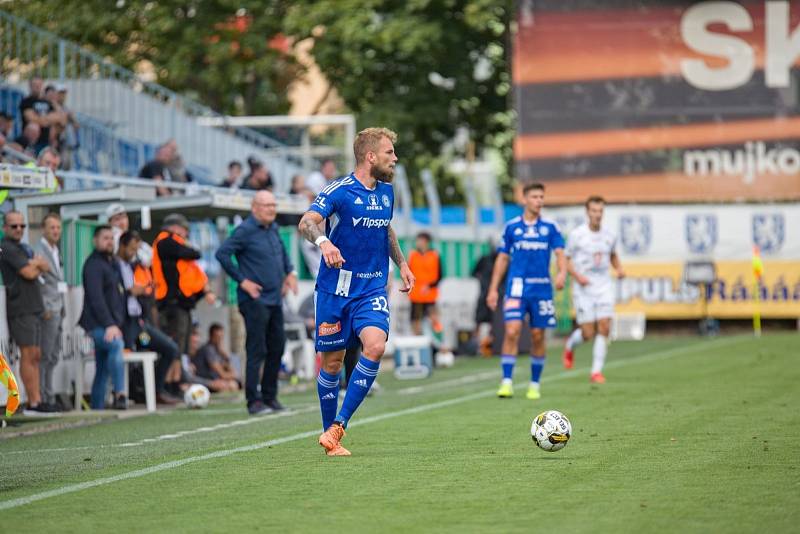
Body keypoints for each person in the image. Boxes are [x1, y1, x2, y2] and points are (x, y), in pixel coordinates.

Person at [298, 127, 415, 456]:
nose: (395, 158)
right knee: (332, 364)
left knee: (375, 346)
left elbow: (385, 228)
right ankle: (327, 436)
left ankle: (339, 427)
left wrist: (402, 263)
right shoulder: (339, 191)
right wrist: (324, 242)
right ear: (371, 156)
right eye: (390, 152)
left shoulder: (387, 192)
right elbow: (307, 222)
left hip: (371, 288)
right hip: (335, 290)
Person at [216, 190, 297, 415]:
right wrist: (242, 281)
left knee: (277, 346)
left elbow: (281, 252)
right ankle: (254, 401)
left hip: (275, 299)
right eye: (267, 205)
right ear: (254, 207)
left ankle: (270, 397)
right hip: (254, 300)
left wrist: (289, 272)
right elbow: (222, 254)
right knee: (256, 349)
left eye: (273, 205)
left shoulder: (273, 228)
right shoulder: (244, 230)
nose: (272, 209)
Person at [487, 182, 566, 400]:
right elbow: (503, 258)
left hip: (541, 289)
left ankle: (534, 383)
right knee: (512, 330)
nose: (539, 201)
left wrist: (561, 273)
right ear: (524, 199)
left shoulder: (550, 227)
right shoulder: (512, 227)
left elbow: (560, 253)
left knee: (538, 335)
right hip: (516, 288)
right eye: (534, 197)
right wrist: (493, 289)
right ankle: (506, 382)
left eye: (541, 197)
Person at [562, 196, 625, 383]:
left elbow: (612, 254)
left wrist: (619, 268)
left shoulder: (609, 235)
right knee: (587, 333)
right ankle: (570, 345)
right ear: (587, 212)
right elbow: (566, 259)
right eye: (594, 211)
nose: (597, 215)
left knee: (605, 326)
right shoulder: (577, 235)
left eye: (600, 211)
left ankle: (596, 371)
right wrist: (577, 276)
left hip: (604, 286)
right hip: (584, 289)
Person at [117, 230, 181, 405]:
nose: (134, 253)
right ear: (122, 246)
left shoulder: (136, 267)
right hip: (126, 326)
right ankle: (127, 394)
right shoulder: (118, 267)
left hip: (140, 326)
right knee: (129, 356)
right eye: (132, 249)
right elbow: (117, 292)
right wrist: (131, 291)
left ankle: (156, 389)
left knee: (169, 348)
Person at [0, 211, 51, 415]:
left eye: (22, 225)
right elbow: (29, 272)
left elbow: (44, 266)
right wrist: (35, 264)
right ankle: (33, 402)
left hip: (34, 307)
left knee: (36, 355)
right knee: (28, 355)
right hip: (21, 309)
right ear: (5, 228)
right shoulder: (7, 248)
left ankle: (36, 400)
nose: (19, 229)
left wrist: (36, 264)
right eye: (14, 226)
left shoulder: (24, 247)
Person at [78, 225, 127, 410]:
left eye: (111, 238)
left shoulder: (111, 262)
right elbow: (96, 298)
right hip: (97, 325)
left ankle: (96, 409)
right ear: (95, 241)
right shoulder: (93, 265)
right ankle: (120, 392)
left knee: (102, 368)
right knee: (116, 345)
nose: (109, 241)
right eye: (105, 238)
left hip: (110, 325)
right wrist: (109, 325)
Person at [152, 213, 214, 357]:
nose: (186, 234)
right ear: (175, 228)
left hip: (183, 303)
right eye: (184, 230)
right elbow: (193, 253)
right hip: (171, 304)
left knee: (182, 348)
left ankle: (179, 377)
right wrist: (187, 246)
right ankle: (173, 379)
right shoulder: (165, 241)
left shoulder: (176, 249)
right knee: (174, 348)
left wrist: (206, 291)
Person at [34, 212, 67, 412]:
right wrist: (43, 307)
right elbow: (37, 282)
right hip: (48, 308)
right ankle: (44, 397)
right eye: (52, 227)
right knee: (45, 355)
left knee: (53, 355)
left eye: (58, 227)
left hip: (59, 307)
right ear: (43, 229)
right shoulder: (38, 250)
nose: (55, 231)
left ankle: (49, 394)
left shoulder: (55, 250)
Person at [407, 231, 442, 335]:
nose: (418, 242)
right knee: (415, 320)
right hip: (415, 295)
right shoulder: (412, 255)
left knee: (434, 319)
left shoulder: (435, 255)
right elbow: (407, 273)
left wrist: (429, 286)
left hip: (430, 294)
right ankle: (417, 340)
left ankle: (437, 342)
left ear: (426, 242)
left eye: (420, 240)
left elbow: (440, 275)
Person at [471, 240, 500, 356]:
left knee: (495, 321)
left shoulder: (503, 260)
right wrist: (482, 281)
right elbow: (473, 273)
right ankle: (475, 345)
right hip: (484, 294)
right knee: (479, 319)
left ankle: (493, 344)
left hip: (497, 295)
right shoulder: (484, 259)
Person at [193, 323, 240, 392]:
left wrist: (225, 356)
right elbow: (222, 374)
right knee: (232, 385)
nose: (220, 340)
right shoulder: (208, 349)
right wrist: (234, 375)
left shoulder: (218, 351)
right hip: (206, 381)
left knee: (233, 384)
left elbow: (229, 369)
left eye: (221, 337)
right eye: (218, 337)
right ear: (211, 336)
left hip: (216, 380)